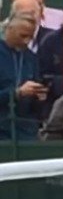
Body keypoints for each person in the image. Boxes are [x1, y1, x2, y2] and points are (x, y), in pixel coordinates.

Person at [0, 13, 46, 141]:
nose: (27, 41)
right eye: (23, 36)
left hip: (26, 130)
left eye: (31, 38)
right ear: (9, 29)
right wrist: (16, 93)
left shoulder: (31, 58)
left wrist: (40, 96)